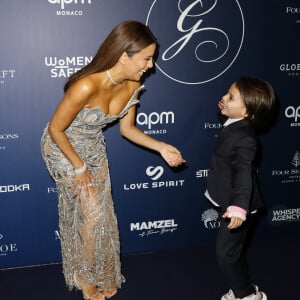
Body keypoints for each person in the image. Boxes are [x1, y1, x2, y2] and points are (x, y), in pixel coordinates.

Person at [41, 20, 185, 300]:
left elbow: (127, 129)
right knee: (92, 211)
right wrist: (78, 166)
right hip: (62, 147)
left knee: (101, 214)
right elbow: (55, 129)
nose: (151, 65)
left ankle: (103, 272)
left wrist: (162, 147)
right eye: (146, 58)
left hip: (93, 146)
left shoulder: (134, 82)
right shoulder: (85, 86)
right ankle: (84, 278)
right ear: (123, 56)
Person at [205, 77, 276, 300]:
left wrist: (238, 208)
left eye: (231, 97)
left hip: (239, 206)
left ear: (247, 113)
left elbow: (243, 174)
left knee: (225, 254)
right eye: (227, 93)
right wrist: (227, 107)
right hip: (228, 200)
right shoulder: (236, 124)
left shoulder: (245, 138)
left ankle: (247, 295)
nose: (223, 98)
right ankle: (244, 287)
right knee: (232, 252)